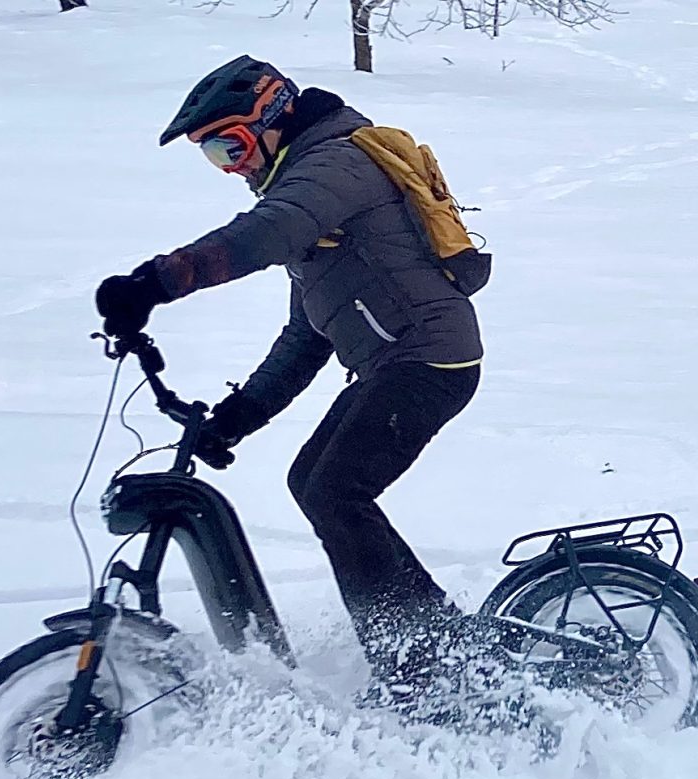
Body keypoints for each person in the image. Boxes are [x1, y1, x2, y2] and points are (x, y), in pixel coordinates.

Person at [95, 55, 484, 693]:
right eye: (214, 156)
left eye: (230, 146)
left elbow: (264, 234)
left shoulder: (334, 164)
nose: (232, 167)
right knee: (312, 481)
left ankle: (420, 660)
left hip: (430, 358)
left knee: (334, 490)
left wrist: (156, 282)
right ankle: (430, 639)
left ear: (270, 119)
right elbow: (306, 336)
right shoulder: (310, 193)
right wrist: (239, 417)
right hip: (396, 362)